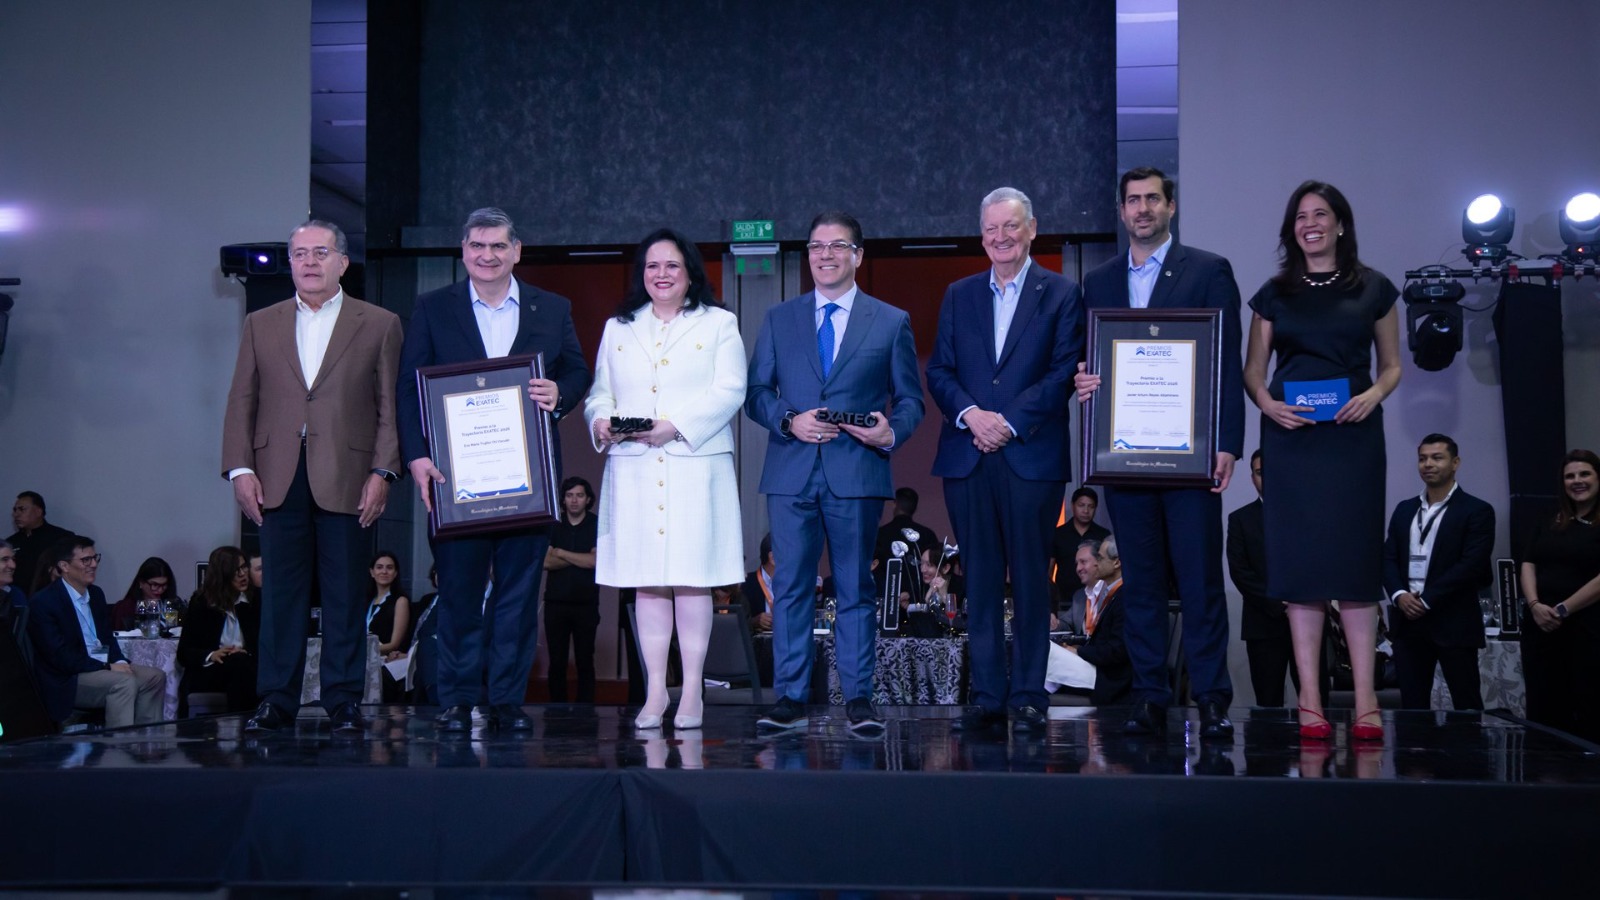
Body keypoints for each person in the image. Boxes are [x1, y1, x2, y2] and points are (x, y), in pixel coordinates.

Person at [398, 207, 590, 735]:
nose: (487, 256)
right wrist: (415, 455)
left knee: (518, 596)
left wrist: (562, 393)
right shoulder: (433, 308)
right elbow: (407, 386)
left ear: (517, 251)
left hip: (530, 482)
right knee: (458, 593)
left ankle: (506, 700)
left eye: (498, 247)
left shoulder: (551, 308)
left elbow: (576, 369)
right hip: (454, 483)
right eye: (478, 246)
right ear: (463, 251)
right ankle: (457, 699)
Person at [1071, 167, 1243, 739]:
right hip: (1125, 463)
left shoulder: (1209, 270)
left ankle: (1213, 698)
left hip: (1192, 462)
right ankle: (1150, 697)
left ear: (1171, 206)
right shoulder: (1097, 281)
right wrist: (1085, 381)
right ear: (1121, 212)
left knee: (1199, 583)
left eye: (1152, 199)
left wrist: (1228, 445)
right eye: (1132, 201)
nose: (1142, 209)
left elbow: (1225, 365)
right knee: (1140, 584)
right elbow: (1088, 359)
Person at [221, 219, 403, 736]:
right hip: (277, 473)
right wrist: (239, 467)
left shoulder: (380, 322)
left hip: (349, 473)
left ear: (342, 262)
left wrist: (383, 471)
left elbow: (390, 406)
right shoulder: (262, 321)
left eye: (320, 252)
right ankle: (277, 698)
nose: (308, 262)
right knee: (280, 593)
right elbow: (242, 400)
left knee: (347, 591)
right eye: (299, 253)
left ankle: (343, 698)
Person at [747, 211, 924, 735]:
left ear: (858, 256)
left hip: (857, 471)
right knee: (793, 588)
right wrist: (788, 420)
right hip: (791, 472)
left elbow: (911, 398)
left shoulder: (890, 321)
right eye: (816, 246)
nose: (825, 255)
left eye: (837, 245)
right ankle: (791, 698)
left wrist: (889, 432)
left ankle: (859, 700)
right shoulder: (780, 319)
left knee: (856, 589)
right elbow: (757, 394)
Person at [1242, 180, 1402, 741]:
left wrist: (1373, 396)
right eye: (1300, 216)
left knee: (1356, 567)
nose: (1310, 223)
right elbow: (1253, 371)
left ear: (1340, 224)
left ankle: (1363, 698)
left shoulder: (1374, 287)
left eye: (1321, 214)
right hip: (1293, 438)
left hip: (1353, 437)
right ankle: (1308, 695)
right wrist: (1269, 407)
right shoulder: (1274, 292)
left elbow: (1392, 366)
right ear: (1292, 230)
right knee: (1302, 569)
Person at [927, 187, 1082, 734]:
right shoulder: (958, 294)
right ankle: (989, 693)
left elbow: (1062, 372)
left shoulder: (1061, 293)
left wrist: (1007, 422)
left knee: (1033, 580)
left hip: (1029, 454)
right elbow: (940, 372)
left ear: (1032, 229)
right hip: (968, 454)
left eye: (1010, 227)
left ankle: (1029, 692)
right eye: (991, 229)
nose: (1000, 237)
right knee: (981, 580)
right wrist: (974, 415)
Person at [586, 227, 745, 731]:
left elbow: (730, 389)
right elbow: (600, 392)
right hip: (633, 466)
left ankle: (692, 689)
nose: (662, 274)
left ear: (690, 272)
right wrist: (599, 421)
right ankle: (656, 692)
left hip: (694, 465)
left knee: (691, 580)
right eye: (652, 266)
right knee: (648, 583)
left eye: (672, 265)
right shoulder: (619, 327)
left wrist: (674, 426)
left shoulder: (719, 323)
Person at [1382, 434, 1495, 711]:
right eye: (1422, 458)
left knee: (1466, 704)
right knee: (1412, 707)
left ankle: (1469, 755)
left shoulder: (1477, 510)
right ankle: (1414, 756)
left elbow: (1471, 565)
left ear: (1455, 463)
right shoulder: (1404, 509)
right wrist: (1398, 595)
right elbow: (1388, 557)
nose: (1428, 464)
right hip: (1408, 622)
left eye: (1437, 457)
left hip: (1453, 620)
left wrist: (1427, 599)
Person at [26, 536, 164, 728]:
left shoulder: (96, 594)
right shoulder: (44, 602)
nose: (93, 565)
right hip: (69, 677)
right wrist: (106, 667)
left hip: (100, 664)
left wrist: (120, 662)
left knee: (154, 676)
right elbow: (60, 657)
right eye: (85, 560)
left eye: (95, 558)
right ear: (64, 566)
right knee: (123, 683)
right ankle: (119, 749)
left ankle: (147, 744)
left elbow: (107, 637)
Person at [1518, 449, 1600, 742]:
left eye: (1584, 474)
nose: (1577, 481)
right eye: (1570, 476)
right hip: (1540, 628)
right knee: (1543, 708)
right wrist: (1536, 605)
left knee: (1588, 706)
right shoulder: (1548, 517)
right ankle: (1545, 779)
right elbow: (1528, 562)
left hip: (1587, 629)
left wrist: (1563, 609)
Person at [1229, 449, 1296, 707]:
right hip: (1263, 621)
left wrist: (1298, 601)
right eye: (1259, 472)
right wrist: (1278, 604)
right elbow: (1240, 572)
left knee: (1317, 701)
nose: (1266, 477)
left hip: (1307, 616)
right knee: (1268, 702)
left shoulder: (1307, 513)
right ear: (1252, 477)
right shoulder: (1240, 519)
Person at [1045, 536, 1131, 705]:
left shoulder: (1124, 597)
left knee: (1047, 650)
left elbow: (1118, 650)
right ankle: (1035, 697)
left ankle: (1030, 699)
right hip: (1098, 666)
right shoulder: (1113, 594)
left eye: (1099, 558)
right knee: (1046, 649)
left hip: (1109, 677)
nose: (1096, 563)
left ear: (1116, 563)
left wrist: (1078, 651)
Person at [176, 546, 261, 714]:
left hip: (246, 664)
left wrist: (247, 652)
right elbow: (184, 653)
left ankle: (241, 724)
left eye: (244, 567)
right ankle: (244, 724)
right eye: (236, 570)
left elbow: (266, 644)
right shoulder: (202, 603)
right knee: (239, 668)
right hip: (211, 669)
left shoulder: (257, 599)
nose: (243, 574)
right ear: (223, 575)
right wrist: (211, 655)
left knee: (241, 665)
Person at [543, 476, 600, 703]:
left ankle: (586, 710)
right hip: (555, 604)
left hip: (586, 603)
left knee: (585, 660)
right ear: (563, 500)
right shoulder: (553, 524)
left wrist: (561, 552)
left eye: (579, 495)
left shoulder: (597, 524)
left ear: (588, 499)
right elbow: (545, 562)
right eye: (569, 495)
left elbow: (595, 562)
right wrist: (581, 557)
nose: (574, 500)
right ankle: (556, 710)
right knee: (556, 661)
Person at [1050, 487, 1110, 610]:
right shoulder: (1058, 534)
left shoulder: (1103, 535)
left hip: (1097, 599)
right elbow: (1049, 570)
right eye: (1081, 505)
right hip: (1063, 599)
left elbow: (1109, 568)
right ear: (1073, 506)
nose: (1086, 510)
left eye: (1091, 506)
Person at [365, 551, 411, 703]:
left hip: (384, 657)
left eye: (389, 568)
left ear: (396, 573)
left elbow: (394, 644)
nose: (384, 571)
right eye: (379, 567)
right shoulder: (366, 600)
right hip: (366, 655)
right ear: (372, 572)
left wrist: (365, 650)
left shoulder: (400, 601)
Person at [8, 491, 74, 595]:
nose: (16, 514)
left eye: (22, 509)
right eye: (15, 510)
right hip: (17, 601)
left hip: (51, 598)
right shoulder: (11, 542)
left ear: (38, 511)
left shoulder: (61, 537)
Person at [874, 487, 938, 569]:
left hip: (887, 581)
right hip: (919, 582)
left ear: (894, 504)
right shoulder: (928, 535)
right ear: (915, 508)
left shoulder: (880, 534)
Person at [111, 557, 181, 632]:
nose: (160, 590)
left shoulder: (172, 605)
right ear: (141, 582)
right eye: (155, 585)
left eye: (164, 585)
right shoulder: (125, 608)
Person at [741, 533, 776, 633]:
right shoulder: (746, 585)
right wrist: (754, 622)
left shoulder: (792, 584)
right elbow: (736, 624)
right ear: (772, 558)